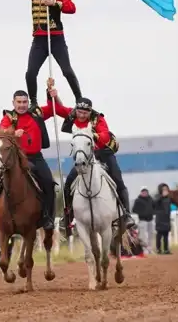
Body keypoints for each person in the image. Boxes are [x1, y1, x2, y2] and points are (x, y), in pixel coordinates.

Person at [48, 82, 136, 234]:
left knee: (117, 179)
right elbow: (59, 109)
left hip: (103, 153)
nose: (81, 115)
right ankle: (67, 216)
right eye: (80, 112)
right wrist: (53, 96)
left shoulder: (98, 119)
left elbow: (106, 135)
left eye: (85, 113)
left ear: (90, 112)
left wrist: (93, 135)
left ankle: (126, 214)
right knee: (69, 182)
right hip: (84, 156)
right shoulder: (73, 115)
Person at [3, 0, 81, 106]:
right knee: (30, 73)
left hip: (56, 38)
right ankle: (34, 103)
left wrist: (53, 3)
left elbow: (71, 8)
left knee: (67, 71)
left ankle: (79, 99)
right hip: (39, 40)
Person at [0, 86, 59, 231]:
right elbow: (1, 132)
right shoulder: (9, 117)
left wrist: (52, 95)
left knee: (49, 182)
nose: (22, 105)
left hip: (35, 157)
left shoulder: (36, 113)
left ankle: (48, 216)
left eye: (24, 102)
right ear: (13, 103)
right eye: (19, 102)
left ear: (28, 102)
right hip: (15, 158)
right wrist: (13, 133)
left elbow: (53, 108)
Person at [132, 187, 155, 253]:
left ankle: (150, 248)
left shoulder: (151, 199)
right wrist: (142, 213)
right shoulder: (138, 200)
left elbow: (154, 207)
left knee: (151, 234)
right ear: (141, 192)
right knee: (143, 236)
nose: (144, 193)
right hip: (142, 220)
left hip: (150, 219)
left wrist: (152, 212)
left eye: (145, 191)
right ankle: (145, 249)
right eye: (143, 191)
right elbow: (134, 209)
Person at [153, 183, 172, 254]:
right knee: (159, 235)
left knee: (166, 235)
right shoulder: (157, 197)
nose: (165, 191)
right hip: (160, 219)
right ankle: (158, 249)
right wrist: (161, 196)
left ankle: (166, 249)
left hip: (166, 218)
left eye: (166, 189)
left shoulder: (169, 198)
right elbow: (154, 204)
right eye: (163, 189)